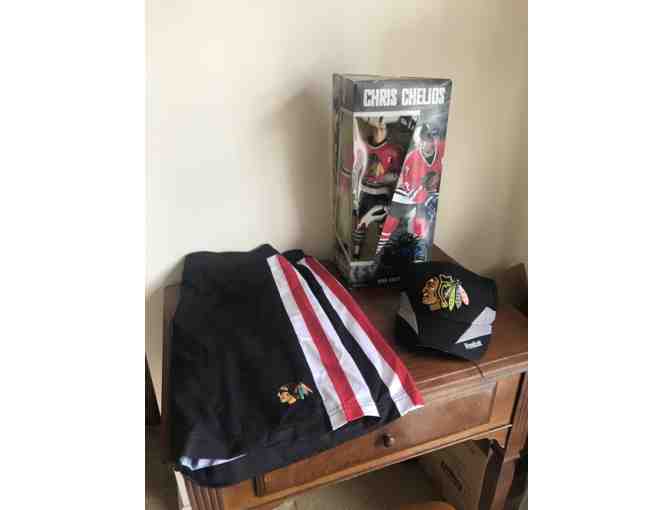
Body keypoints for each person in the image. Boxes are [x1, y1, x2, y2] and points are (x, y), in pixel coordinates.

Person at [376, 123, 444, 261]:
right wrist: (425, 195)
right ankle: (380, 250)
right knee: (392, 220)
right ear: (421, 140)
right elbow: (410, 188)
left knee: (421, 224)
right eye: (425, 139)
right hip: (409, 191)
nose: (429, 142)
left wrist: (434, 192)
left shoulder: (441, 150)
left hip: (427, 191)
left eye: (431, 138)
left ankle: (419, 255)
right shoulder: (412, 157)